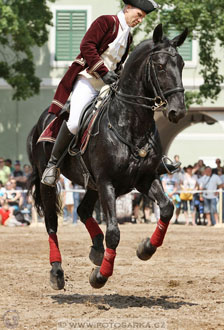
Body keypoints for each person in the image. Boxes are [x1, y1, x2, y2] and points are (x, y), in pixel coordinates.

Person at [41, 0, 173, 188]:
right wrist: (103, 71)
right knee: (75, 121)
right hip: (88, 79)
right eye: (139, 15)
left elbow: (118, 65)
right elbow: (87, 46)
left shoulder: (127, 36)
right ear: (128, 9)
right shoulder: (105, 22)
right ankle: (52, 165)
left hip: (107, 83)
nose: (140, 20)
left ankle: (153, 158)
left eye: (142, 18)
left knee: (132, 113)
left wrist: (118, 77)